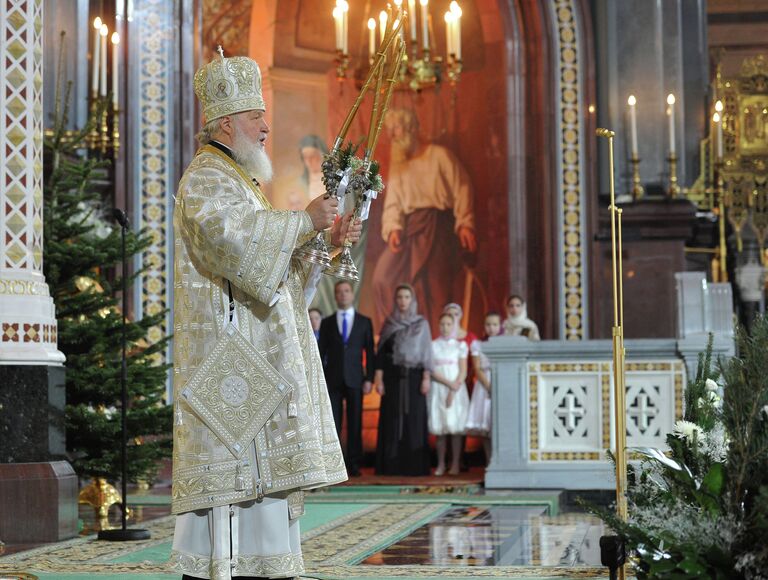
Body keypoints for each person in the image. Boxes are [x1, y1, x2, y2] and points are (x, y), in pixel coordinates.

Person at [170, 50, 362, 580]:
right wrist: (302, 223)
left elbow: (274, 279)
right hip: (230, 372)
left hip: (255, 367)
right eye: (257, 117)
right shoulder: (206, 179)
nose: (265, 126)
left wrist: (321, 240)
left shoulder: (240, 181)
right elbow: (231, 244)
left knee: (266, 509)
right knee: (230, 510)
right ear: (227, 122)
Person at [371, 108, 476, 331]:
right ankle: (396, 334)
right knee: (382, 276)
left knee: (434, 285)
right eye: (389, 130)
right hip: (410, 231)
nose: (392, 135)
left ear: (411, 128)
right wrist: (393, 228)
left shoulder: (439, 155)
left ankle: (438, 340)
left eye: (396, 128)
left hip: (439, 228)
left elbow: (462, 187)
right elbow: (393, 204)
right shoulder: (399, 166)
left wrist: (465, 223)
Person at [317, 280, 375, 477]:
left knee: (355, 422)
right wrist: (321, 379)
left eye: (346, 291)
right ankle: (335, 463)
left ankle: (354, 463)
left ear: (352, 294)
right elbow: (320, 352)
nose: (343, 295)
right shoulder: (327, 323)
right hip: (332, 380)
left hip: (355, 379)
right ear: (335, 296)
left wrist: (369, 379)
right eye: (339, 292)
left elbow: (371, 353)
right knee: (333, 423)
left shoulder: (364, 322)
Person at [374, 283, 432, 476]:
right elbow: (382, 353)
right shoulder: (390, 323)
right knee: (392, 421)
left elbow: (426, 353)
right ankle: (391, 466)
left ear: (412, 300)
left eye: (407, 297)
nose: (403, 301)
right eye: (399, 297)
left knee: (414, 421)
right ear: (395, 300)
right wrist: (379, 378)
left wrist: (426, 378)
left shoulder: (421, 323)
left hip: (415, 378)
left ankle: (415, 467)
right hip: (393, 378)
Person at [428, 313, 469, 476]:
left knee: (455, 428)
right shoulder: (433, 345)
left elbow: (463, 370)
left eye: (448, 324)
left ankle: (455, 464)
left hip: (456, 389)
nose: (445, 328)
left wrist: (454, 387)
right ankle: (440, 463)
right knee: (441, 430)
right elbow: (432, 370)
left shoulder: (460, 346)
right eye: (442, 324)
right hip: (439, 387)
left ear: (454, 325)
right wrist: (447, 384)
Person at [466, 312, 502, 465]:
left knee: (499, 425)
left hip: (502, 381)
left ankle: (501, 461)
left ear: (500, 326)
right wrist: (488, 386)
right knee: (485, 426)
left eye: (495, 324)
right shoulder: (477, 344)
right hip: (484, 385)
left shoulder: (506, 343)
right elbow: (477, 368)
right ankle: (489, 462)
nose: (491, 328)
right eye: (488, 324)